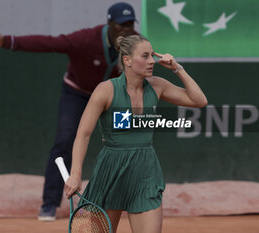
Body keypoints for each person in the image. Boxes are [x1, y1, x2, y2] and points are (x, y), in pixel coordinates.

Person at [0, 2, 138, 221]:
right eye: (121, 25)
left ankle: (129, 201)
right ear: (109, 24)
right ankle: (49, 204)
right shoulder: (85, 39)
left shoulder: (135, 43)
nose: (126, 30)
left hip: (110, 98)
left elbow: (146, 67)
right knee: (64, 141)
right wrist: (6, 41)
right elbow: (48, 43)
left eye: (129, 25)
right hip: (77, 94)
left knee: (129, 141)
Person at [64, 35, 208, 233]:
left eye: (152, 55)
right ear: (127, 60)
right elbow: (83, 134)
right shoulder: (105, 90)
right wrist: (75, 174)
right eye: (145, 56)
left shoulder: (158, 86)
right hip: (110, 171)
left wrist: (177, 68)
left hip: (145, 172)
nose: (152, 61)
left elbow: (199, 101)